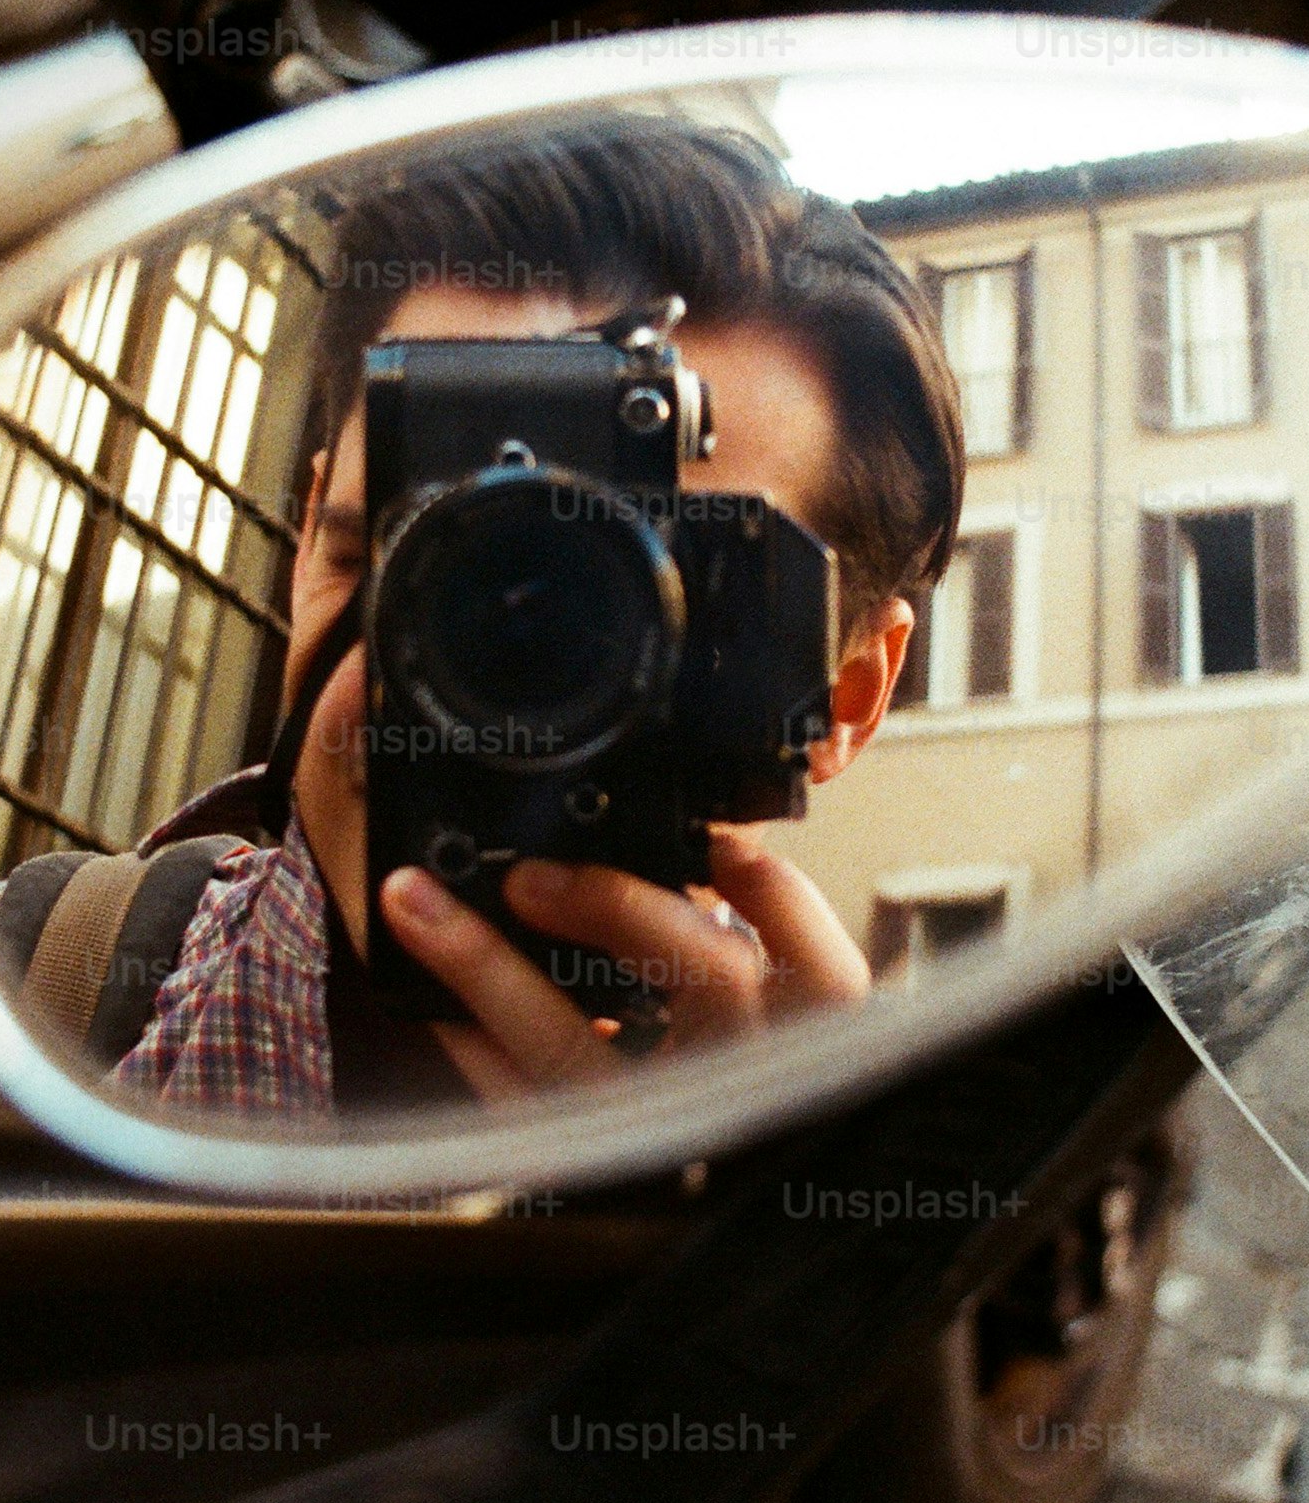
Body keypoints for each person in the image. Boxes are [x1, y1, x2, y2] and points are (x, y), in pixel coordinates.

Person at [112, 114, 965, 1117]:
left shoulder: (892, 1219)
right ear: (308, 541)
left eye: (615, 611)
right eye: (386, 566)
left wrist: (782, 1247)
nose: (467, 696)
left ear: (846, 697)